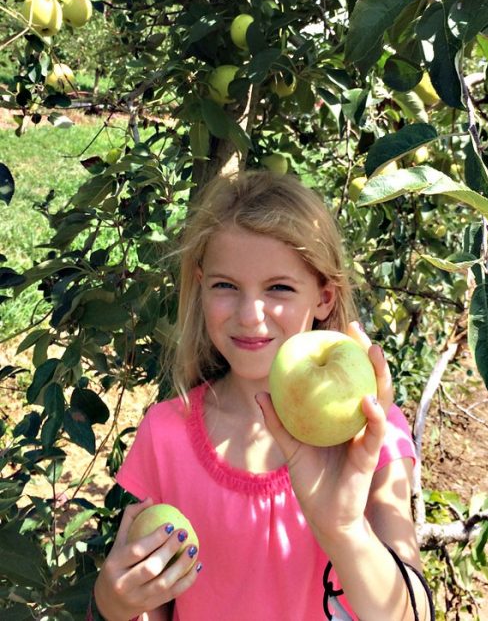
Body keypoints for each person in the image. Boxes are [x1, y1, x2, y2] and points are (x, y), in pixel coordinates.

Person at [91, 171, 433, 621]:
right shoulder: (166, 434)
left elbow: (412, 615)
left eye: (279, 288)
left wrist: (344, 528)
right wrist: (115, 603)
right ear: (200, 285)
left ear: (324, 297)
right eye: (226, 286)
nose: (251, 316)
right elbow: (157, 602)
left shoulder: (370, 432)